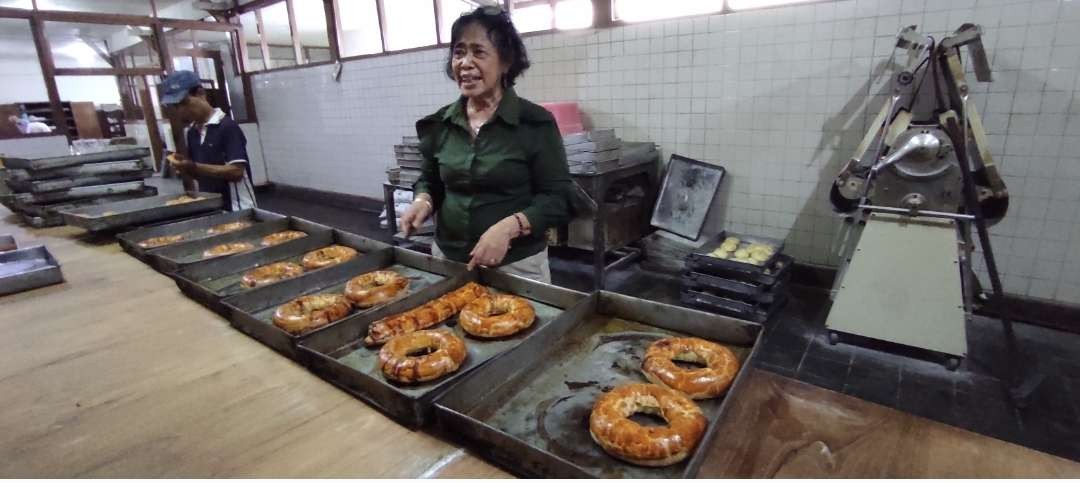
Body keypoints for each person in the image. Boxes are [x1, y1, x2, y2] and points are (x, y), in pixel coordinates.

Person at [400, 6, 572, 284]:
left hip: (517, 266)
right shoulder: (440, 125)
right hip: (448, 259)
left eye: (478, 52)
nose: (465, 63)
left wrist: (509, 227)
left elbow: (559, 199)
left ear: (506, 61)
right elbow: (429, 180)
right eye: (459, 52)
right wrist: (423, 200)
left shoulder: (535, 123)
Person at [159, 70, 256, 211]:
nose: (181, 110)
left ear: (200, 94)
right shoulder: (191, 133)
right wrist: (185, 167)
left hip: (238, 207)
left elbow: (236, 172)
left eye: (184, 103)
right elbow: (199, 174)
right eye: (175, 106)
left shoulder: (226, 127)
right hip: (212, 206)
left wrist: (194, 166)